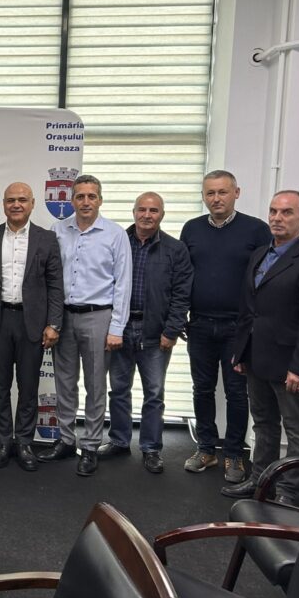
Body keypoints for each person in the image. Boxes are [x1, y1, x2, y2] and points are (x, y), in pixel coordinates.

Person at [222, 190, 299, 503]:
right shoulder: (260, 254)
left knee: (296, 429)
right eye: (273, 211)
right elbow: (248, 310)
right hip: (256, 359)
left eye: (287, 212)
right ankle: (261, 481)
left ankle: (289, 491)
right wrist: (241, 352)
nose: (277, 218)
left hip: (290, 366)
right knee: (263, 424)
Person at [180, 170, 271, 482]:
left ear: (236, 193)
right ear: (203, 196)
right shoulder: (191, 229)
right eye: (210, 193)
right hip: (199, 325)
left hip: (238, 328)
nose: (216, 198)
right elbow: (183, 275)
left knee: (236, 392)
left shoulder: (257, 230)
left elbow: (266, 279)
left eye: (222, 192)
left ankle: (233, 454)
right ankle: (206, 449)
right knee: (202, 389)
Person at [42, 174, 130, 476]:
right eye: (80, 196)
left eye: (92, 196)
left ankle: (90, 445)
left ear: (100, 200)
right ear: (72, 200)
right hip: (63, 317)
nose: (86, 201)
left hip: (99, 316)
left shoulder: (115, 234)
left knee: (95, 384)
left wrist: (117, 328)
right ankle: (66, 440)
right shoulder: (57, 231)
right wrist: (51, 320)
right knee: (64, 383)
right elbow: (50, 278)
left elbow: (123, 284)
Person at [98, 193, 193, 474]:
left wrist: (171, 330)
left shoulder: (175, 249)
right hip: (120, 328)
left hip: (155, 332)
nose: (147, 215)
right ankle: (119, 440)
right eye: (142, 209)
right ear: (133, 212)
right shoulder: (118, 241)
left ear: (162, 215)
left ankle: (151, 448)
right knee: (118, 389)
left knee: (154, 393)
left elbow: (182, 294)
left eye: (153, 210)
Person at [0, 182, 63, 471]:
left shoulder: (46, 239)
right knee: (0, 386)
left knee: (28, 386)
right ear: (3, 204)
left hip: (31, 322)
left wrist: (54, 323)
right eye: (11, 200)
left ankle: (24, 442)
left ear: (32, 203)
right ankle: (2, 442)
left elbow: (55, 285)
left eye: (22, 200)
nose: (16, 204)